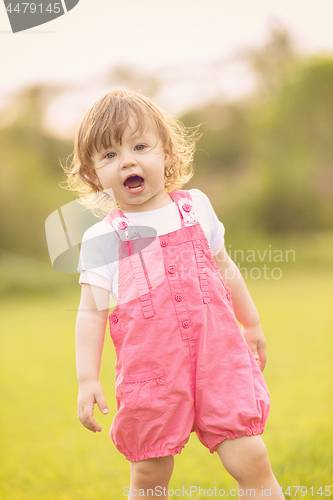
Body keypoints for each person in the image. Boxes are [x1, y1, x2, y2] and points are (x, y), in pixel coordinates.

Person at [65, 89, 285, 499]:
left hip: (219, 357)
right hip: (152, 373)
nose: (127, 160)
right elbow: (91, 313)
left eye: (140, 146)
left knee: (250, 456)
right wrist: (86, 378)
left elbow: (226, 269)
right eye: (109, 156)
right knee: (149, 471)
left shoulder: (197, 207)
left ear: (166, 154)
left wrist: (250, 322)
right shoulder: (101, 239)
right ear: (93, 175)